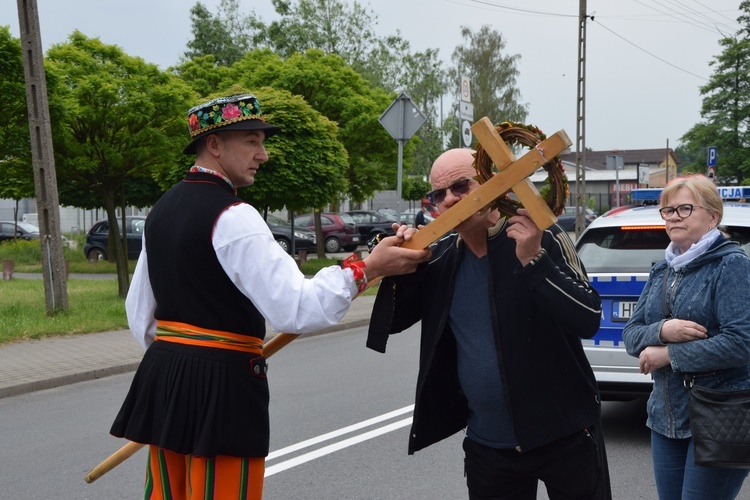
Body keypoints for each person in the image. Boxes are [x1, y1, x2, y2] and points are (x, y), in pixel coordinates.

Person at [110, 93, 430, 500]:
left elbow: (139, 314)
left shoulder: (162, 210)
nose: (263, 154)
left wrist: (181, 361)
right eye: (252, 141)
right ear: (214, 144)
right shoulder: (233, 216)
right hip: (220, 384)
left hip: (166, 375)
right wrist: (367, 268)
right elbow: (298, 309)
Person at [367, 148, 611, 499]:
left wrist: (533, 261)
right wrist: (401, 269)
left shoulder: (541, 236)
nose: (450, 200)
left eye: (462, 186)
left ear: (494, 183)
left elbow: (588, 318)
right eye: (440, 194)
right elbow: (387, 326)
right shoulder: (441, 257)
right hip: (489, 446)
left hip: (567, 435)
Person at [622, 174, 750, 500]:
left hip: (720, 415)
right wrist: (663, 330)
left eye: (685, 208)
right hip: (664, 419)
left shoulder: (732, 265)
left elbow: (741, 343)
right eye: (668, 210)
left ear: (713, 216)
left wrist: (668, 355)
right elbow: (632, 337)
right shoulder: (662, 270)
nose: (674, 216)